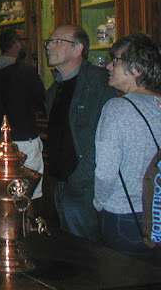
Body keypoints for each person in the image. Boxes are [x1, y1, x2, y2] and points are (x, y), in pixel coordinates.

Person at [44, 24, 117, 242]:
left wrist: (81, 178)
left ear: (78, 49)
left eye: (58, 41)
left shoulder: (98, 83)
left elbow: (105, 140)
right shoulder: (54, 90)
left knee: (87, 255)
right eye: (49, 41)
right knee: (69, 250)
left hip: (84, 187)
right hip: (61, 183)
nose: (49, 46)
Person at [94, 33, 161, 263]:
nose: (109, 66)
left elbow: (105, 173)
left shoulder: (116, 109)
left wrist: (99, 204)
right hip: (157, 213)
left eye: (116, 60)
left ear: (137, 69)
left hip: (125, 215)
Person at [0, 29, 46, 200]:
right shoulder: (26, 71)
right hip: (23, 138)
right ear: (17, 44)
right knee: (28, 193)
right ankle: (27, 225)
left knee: (1, 193)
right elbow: (40, 99)